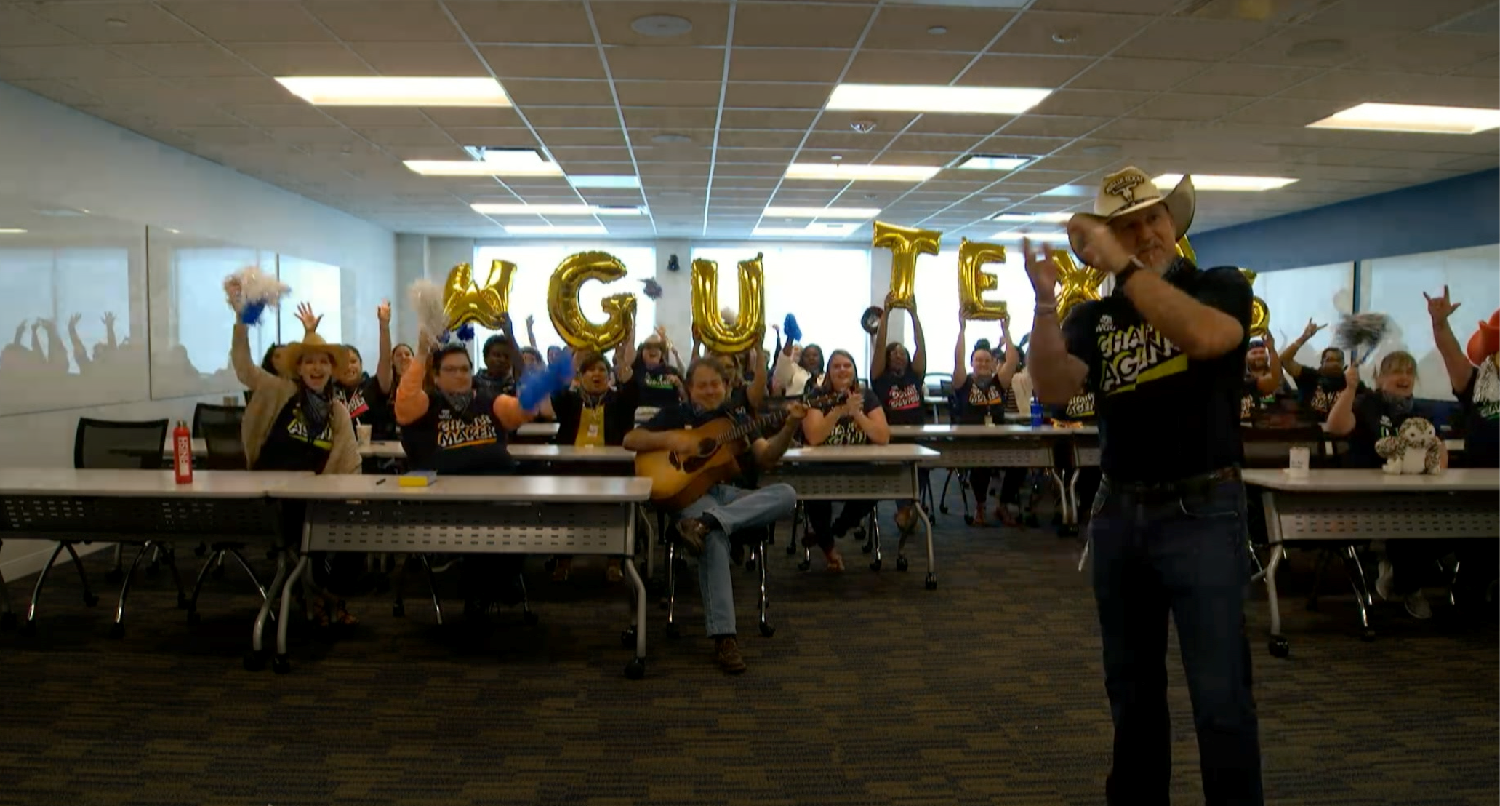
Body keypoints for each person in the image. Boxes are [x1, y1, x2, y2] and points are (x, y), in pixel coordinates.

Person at [1024, 168, 1263, 804]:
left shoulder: (1219, 287)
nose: (1145, 233)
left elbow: (1207, 337)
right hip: (1120, 511)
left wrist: (1124, 267)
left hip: (1204, 510)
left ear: (1173, 225)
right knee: (1131, 694)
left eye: (1153, 219)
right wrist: (1046, 304)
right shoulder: (1095, 316)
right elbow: (1052, 387)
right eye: (1127, 227)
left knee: (1220, 696)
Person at [622, 358, 804, 674]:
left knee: (787, 494)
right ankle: (724, 637)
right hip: (689, 495)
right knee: (715, 540)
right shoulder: (675, 415)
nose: (709, 390)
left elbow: (766, 457)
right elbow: (631, 440)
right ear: (690, 389)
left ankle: (708, 522)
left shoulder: (738, 419)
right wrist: (673, 439)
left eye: (715, 384)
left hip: (726, 497)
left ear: (727, 386)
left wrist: (789, 426)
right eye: (702, 385)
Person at [227, 286, 361, 628]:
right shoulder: (279, 392)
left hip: (315, 498)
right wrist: (241, 320)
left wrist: (356, 500)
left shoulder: (337, 413)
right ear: (298, 369)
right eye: (308, 362)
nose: (316, 368)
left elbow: (349, 463)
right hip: (272, 500)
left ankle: (326, 594)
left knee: (355, 530)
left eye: (323, 362)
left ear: (332, 369)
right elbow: (243, 368)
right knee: (307, 536)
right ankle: (313, 597)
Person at [395, 335, 537, 615]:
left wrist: (530, 373)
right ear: (435, 377)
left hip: (497, 494)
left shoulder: (490, 402)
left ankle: (491, 586)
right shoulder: (426, 405)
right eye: (451, 370)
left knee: (518, 513)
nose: (460, 375)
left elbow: (524, 410)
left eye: (465, 369)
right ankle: (486, 590)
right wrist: (422, 354)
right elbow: (405, 401)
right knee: (480, 523)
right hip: (446, 501)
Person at [1326, 350, 1448, 618]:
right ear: (1379, 378)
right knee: (1412, 523)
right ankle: (1410, 588)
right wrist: (1350, 389)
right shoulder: (1367, 403)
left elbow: (1439, 459)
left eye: (1408, 372)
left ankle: (1399, 577)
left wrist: (1436, 449)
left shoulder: (1422, 412)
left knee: (1443, 520)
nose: (1403, 377)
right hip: (1368, 495)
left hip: (1411, 493)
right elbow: (1335, 426)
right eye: (1395, 371)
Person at [535, 349, 639, 582]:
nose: (596, 374)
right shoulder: (570, 401)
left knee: (617, 506)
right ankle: (563, 559)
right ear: (580, 377)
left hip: (611, 471)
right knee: (564, 507)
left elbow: (633, 395)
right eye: (590, 369)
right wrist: (572, 364)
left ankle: (615, 560)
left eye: (602, 369)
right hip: (572, 468)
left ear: (609, 376)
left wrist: (623, 366)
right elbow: (556, 394)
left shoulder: (618, 401)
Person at [1427, 292, 1500, 605]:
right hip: (1480, 490)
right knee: (1478, 553)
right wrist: (1440, 323)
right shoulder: (1477, 384)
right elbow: (1451, 354)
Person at [799, 350, 890, 571]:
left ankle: (834, 530)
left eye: (847, 365)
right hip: (822, 468)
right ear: (828, 373)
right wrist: (839, 411)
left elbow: (882, 436)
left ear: (854, 371)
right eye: (836, 366)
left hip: (859, 467)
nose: (842, 370)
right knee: (814, 493)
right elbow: (814, 436)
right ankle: (829, 550)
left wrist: (857, 413)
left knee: (879, 483)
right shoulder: (816, 397)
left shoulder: (867, 397)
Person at [951, 318, 1020, 527]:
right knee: (981, 464)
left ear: (992, 364)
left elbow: (1013, 360)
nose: (982, 364)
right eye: (978, 360)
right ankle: (980, 506)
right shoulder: (963, 382)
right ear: (972, 363)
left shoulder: (999, 382)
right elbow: (958, 359)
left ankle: (1003, 504)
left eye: (986, 360)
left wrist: (1006, 330)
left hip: (999, 435)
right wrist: (962, 329)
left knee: (1022, 460)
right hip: (973, 438)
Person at [871, 296, 930, 538]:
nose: (899, 355)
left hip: (916, 438)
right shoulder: (880, 378)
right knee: (899, 470)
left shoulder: (915, 376)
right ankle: (906, 509)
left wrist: (913, 316)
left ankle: (908, 508)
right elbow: (880, 346)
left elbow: (921, 348)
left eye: (902, 353)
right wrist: (886, 315)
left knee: (922, 468)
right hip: (891, 439)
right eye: (894, 353)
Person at [1277, 319, 1362, 422]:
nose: (1334, 363)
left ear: (1343, 364)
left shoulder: (1351, 383)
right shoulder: (1311, 376)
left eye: (1338, 360)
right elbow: (1284, 360)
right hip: (1310, 433)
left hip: (1341, 433)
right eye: (1329, 360)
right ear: (1322, 363)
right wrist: (1304, 337)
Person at [627, 327, 686, 417]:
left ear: (661, 353)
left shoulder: (672, 371)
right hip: (645, 421)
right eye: (648, 347)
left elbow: (686, 400)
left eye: (657, 347)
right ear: (642, 352)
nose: (653, 350)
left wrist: (679, 385)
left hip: (670, 421)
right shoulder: (637, 371)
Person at [475, 319, 525, 398]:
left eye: (506, 356)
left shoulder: (513, 385)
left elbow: (522, 369)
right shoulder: (474, 383)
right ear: (485, 358)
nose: (502, 360)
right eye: (497, 355)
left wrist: (509, 334)